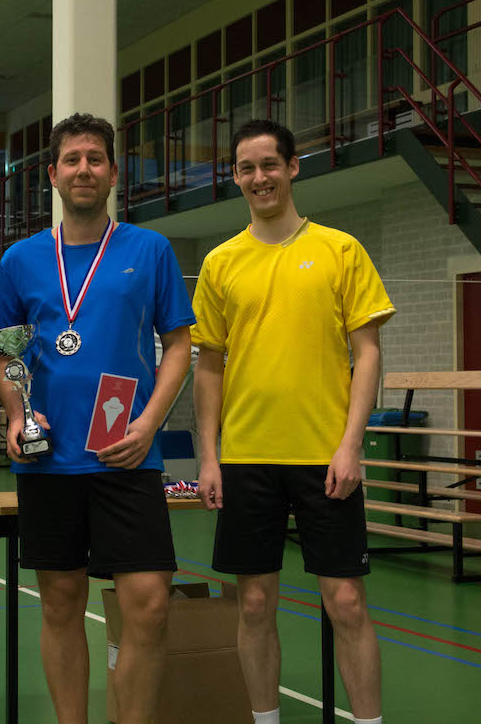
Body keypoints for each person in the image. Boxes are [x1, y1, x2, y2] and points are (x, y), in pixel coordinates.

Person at [0, 112, 195, 724]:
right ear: (53, 174)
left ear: (113, 174)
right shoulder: (22, 259)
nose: (84, 169)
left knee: (149, 604)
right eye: (72, 159)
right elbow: (3, 352)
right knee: (60, 603)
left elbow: (178, 345)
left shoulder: (150, 250)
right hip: (50, 459)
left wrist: (149, 425)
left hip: (127, 454)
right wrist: (17, 417)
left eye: (95, 159)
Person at [192, 119, 395, 724]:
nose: (259, 178)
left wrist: (351, 445)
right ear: (235, 177)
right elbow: (208, 366)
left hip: (325, 457)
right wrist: (209, 457)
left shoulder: (340, 250)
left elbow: (368, 354)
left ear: (292, 167)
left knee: (348, 602)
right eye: (246, 168)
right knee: (254, 603)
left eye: (269, 165)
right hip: (246, 458)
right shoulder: (221, 262)